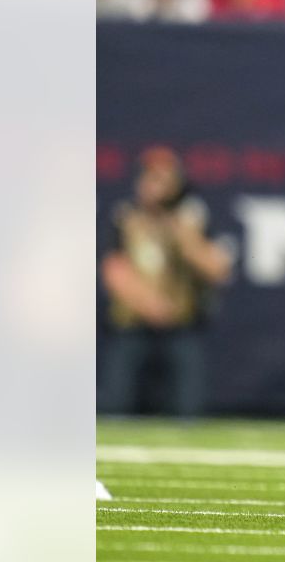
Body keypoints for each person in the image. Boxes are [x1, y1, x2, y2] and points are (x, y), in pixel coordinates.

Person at [99, 147, 231, 418]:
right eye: (151, 178)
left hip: (181, 324)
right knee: (116, 404)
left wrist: (187, 239)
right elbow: (113, 269)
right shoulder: (126, 217)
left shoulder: (191, 218)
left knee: (187, 408)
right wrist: (148, 303)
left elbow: (219, 270)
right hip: (132, 323)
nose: (155, 187)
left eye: (163, 180)